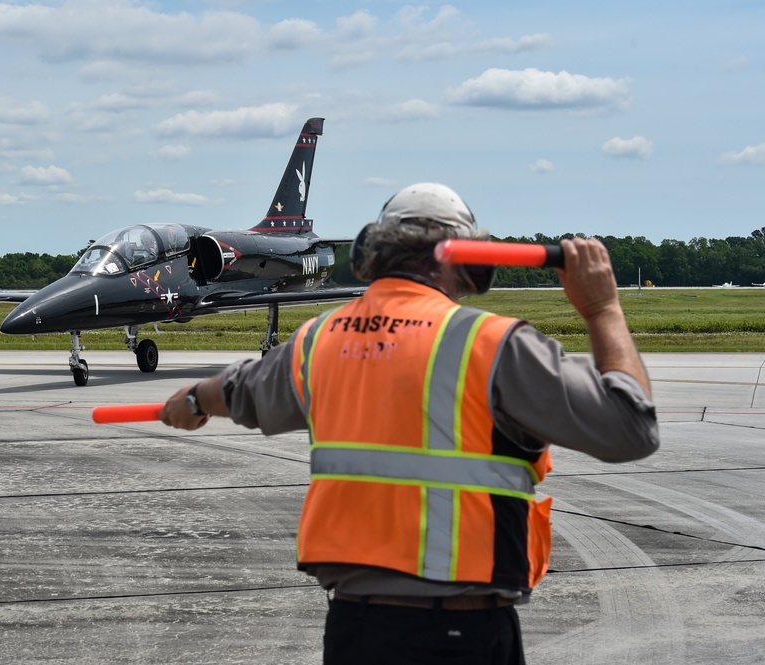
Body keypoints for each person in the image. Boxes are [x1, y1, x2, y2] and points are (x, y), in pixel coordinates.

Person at [159, 183, 660, 664]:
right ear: (469, 260)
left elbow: (240, 390)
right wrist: (602, 308)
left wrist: (195, 401)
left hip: (354, 630)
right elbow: (631, 429)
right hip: (459, 632)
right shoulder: (492, 344)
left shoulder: (319, 339)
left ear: (374, 253)